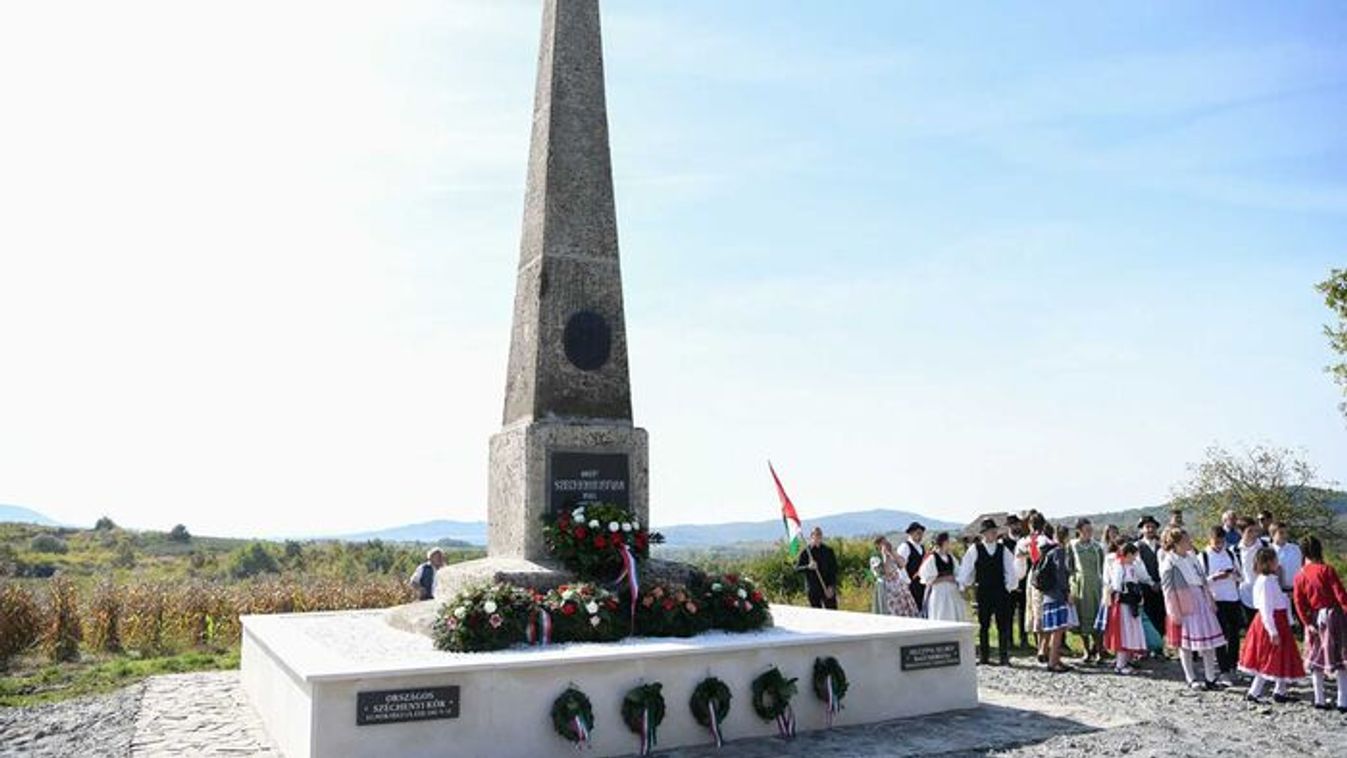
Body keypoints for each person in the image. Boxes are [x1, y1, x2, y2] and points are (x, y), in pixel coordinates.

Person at [1159, 528, 1226, 690]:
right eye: (1186, 540)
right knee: (1186, 644)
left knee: (1209, 642)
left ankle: (1210, 678)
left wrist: (1209, 599)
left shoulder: (1192, 557)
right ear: (1177, 543)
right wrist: (1173, 612)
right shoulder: (1169, 562)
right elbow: (1168, 590)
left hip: (1200, 600)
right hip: (1184, 604)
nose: (1190, 542)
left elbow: (1202, 580)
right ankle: (1191, 678)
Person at [1241, 546, 1305, 703]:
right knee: (1269, 656)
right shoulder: (1266, 582)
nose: (1278, 562)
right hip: (1272, 622)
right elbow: (1266, 607)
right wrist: (1272, 631)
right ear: (1268, 563)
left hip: (1278, 621)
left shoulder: (1270, 580)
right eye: (1275, 560)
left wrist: (1285, 598)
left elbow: (1274, 601)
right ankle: (1254, 692)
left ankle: (1280, 690)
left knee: (1281, 655)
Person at [1292, 536, 1347, 712]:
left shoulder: (1300, 575)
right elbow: (1340, 595)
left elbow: (1298, 602)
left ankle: (1319, 699)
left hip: (1314, 618)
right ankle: (1343, 701)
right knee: (1341, 657)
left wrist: (1307, 622)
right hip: (1334, 616)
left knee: (1316, 657)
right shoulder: (1326, 570)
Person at [959, 518, 1017, 665]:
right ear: (984, 533)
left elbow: (1011, 570)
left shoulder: (1003, 550)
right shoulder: (975, 549)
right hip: (983, 590)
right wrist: (964, 585)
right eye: (990, 531)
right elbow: (967, 569)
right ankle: (984, 657)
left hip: (1000, 590)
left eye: (994, 531)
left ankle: (1004, 657)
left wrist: (1009, 587)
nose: (993, 534)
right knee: (984, 624)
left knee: (1002, 624)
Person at [1202, 524, 1244, 683]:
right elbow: (1201, 582)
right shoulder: (1203, 556)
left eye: (1222, 541)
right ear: (1210, 540)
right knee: (1220, 636)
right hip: (1216, 599)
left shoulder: (1230, 553)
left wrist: (1234, 574)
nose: (1220, 545)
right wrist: (1215, 577)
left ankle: (1233, 665)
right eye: (1216, 542)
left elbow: (1241, 576)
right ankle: (1223, 669)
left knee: (1234, 635)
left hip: (1232, 597)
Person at [1104, 543, 1148, 675]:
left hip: (1131, 603)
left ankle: (1126, 661)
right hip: (1123, 604)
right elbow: (1116, 585)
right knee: (1124, 632)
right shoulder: (1119, 566)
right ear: (1128, 554)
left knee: (1131, 632)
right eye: (1134, 555)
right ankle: (1120, 664)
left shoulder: (1131, 566)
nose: (1135, 558)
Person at [1038, 525, 1076, 672]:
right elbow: (1060, 575)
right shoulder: (1060, 552)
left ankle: (1055, 658)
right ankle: (1053, 662)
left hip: (1048, 595)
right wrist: (1067, 592)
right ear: (1066, 537)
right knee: (1058, 630)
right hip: (1057, 595)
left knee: (1054, 629)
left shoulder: (1050, 551)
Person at [1068, 519, 1105, 664]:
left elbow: (1102, 567)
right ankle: (1086, 650)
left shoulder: (1097, 547)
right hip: (1079, 585)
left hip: (1095, 585)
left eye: (1090, 530)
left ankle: (1099, 650)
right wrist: (1071, 584)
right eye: (1086, 530)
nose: (1089, 533)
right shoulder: (1073, 545)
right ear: (1079, 531)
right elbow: (1070, 566)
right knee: (1081, 617)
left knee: (1097, 617)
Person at [1133, 516, 1167, 653]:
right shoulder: (1137, 546)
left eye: (1153, 527)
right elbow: (1138, 567)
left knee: (1161, 615)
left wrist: (1161, 582)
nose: (1150, 529)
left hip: (1162, 586)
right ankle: (1149, 647)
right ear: (1142, 529)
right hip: (1145, 587)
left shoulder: (1162, 546)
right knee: (1148, 616)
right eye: (1147, 527)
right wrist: (1151, 582)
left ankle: (1160, 648)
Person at [917, 532, 965, 622]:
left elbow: (959, 573)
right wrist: (945, 578)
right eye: (948, 541)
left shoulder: (951, 558)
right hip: (939, 592)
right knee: (941, 614)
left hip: (951, 592)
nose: (950, 544)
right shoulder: (932, 558)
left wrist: (956, 580)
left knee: (953, 614)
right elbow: (927, 579)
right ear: (944, 542)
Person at [872, 536, 920, 617]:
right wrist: (885, 555)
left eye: (886, 542)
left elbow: (902, 564)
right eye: (883, 543)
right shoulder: (875, 558)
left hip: (898, 584)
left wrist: (892, 552)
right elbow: (886, 572)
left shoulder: (891, 554)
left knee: (906, 609)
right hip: (886, 587)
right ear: (877, 546)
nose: (886, 544)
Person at [1001, 514, 1029, 649]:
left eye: (1017, 524)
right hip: (1009, 581)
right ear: (1009, 527)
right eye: (1013, 525)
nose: (1016, 527)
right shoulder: (1003, 542)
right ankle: (1009, 640)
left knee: (1024, 611)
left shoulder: (1024, 540)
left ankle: (1024, 639)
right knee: (1009, 612)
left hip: (1023, 580)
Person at [796, 527, 839, 609]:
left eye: (820, 534)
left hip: (827, 587)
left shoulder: (828, 551)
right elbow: (797, 569)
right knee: (817, 614)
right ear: (811, 536)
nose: (818, 537)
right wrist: (808, 567)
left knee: (832, 613)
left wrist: (831, 586)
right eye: (816, 534)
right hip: (813, 589)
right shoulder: (806, 552)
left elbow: (834, 570)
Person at [1236, 523, 1263, 627]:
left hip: (1263, 590)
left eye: (1255, 531)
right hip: (1245, 593)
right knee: (1250, 625)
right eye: (1249, 531)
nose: (1253, 534)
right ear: (1241, 532)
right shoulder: (1235, 550)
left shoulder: (1264, 545)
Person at [896, 522, 927, 611]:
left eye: (921, 533)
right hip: (910, 583)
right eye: (918, 533)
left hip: (921, 583)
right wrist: (907, 582)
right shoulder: (905, 547)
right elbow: (900, 566)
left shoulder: (921, 547)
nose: (920, 536)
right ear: (911, 533)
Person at [1271, 523, 1303, 597]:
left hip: (1297, 590)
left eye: (1286, 532)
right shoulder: (1269, 551)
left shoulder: (1295, 549)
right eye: (1281, 533)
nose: (1285, 535)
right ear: (1273, 534)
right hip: (1277, 592)